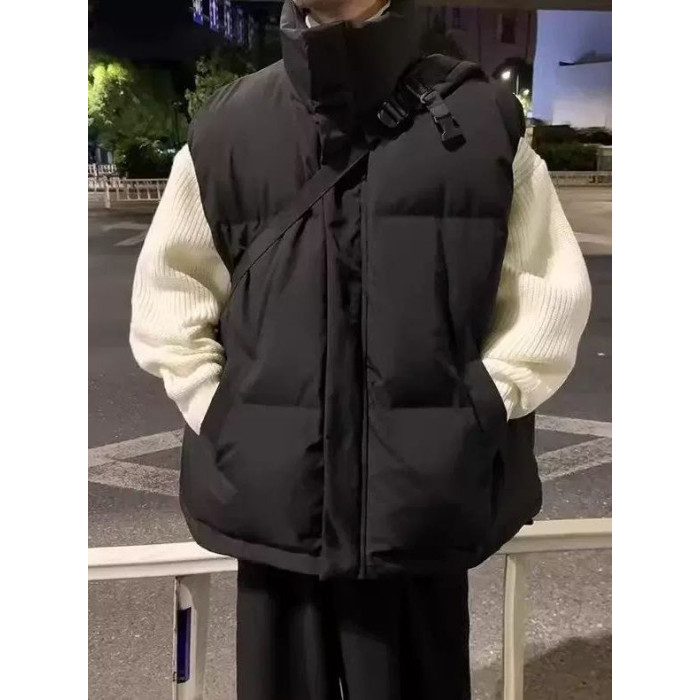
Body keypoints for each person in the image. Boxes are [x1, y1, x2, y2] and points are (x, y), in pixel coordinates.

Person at [130, 0, 591, 697]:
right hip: (276, 511)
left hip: (421, 515)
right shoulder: (228, 127)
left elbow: (546, 298)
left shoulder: (483, 122)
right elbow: (170, 297)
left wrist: (474, 412)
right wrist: (223, 415)